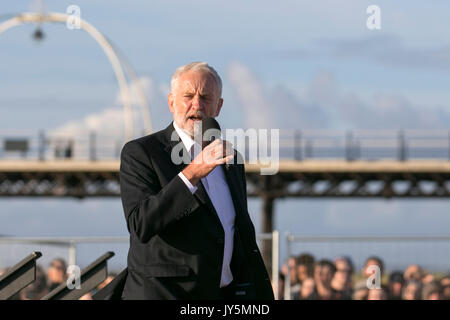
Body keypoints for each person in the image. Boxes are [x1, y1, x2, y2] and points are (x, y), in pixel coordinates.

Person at [119, 62, 274, 300]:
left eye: (205, 97)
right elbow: (141, 223)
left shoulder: (231, 161)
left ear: (218, 106)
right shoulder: (142, 153)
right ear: (171, 103)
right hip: (165, 295)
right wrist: (193, 173)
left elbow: (236, 229)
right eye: (188, 96)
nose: (197, 105)